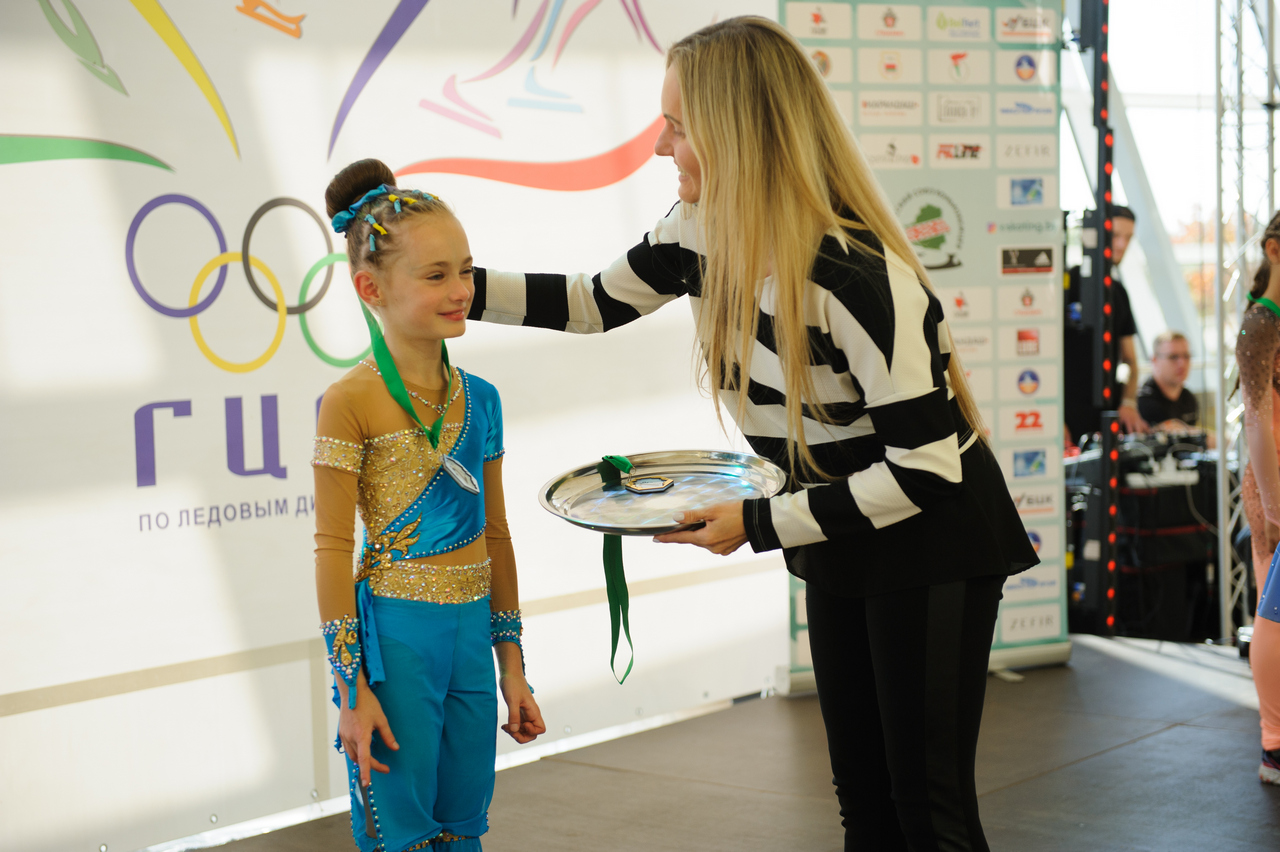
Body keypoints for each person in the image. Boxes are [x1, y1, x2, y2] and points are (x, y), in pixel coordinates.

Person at [467, 17, 1037, 850]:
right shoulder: (696, 230)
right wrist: (455, 288)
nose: (660, 147)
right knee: (864, 803)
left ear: (736, 136)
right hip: (840, 532)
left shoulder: (855, 280)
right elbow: (592, 302)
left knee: (929, 811)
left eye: (677, 127)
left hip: (932, 541)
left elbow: (924, 471)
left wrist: (761, 523)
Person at [312, 159, 545, 852]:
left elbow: (495, 535)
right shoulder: (349, 401)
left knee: (463, 825)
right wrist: (351, 688)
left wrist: (512, 666)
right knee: (403, 831)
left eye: (466, 271)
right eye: (437, 276)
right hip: (398, 644)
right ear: (371, 288)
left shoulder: (483, 399)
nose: (461, 291)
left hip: (472, 637)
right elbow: (332, 548)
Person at [1236, 210, 1280, 786]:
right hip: (1274, 481)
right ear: (1273, 248)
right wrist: (1273, 507)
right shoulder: (1261, 322)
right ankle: (1274, 742)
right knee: (1275, 614)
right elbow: (1256, 419)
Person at [1064, 205, 1148, 446]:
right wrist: (1054, 417)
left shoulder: (1118, 292)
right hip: (1067, 418)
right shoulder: (1067, 284)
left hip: (1106, 421)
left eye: (1128, 237)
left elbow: (1130, 360)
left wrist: (1128, 403)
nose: (1122, 244)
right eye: (1116, 235)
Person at [1137, 330, 1200, 431]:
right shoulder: (1142, 402)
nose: (1182, 363)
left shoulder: (1189, 399)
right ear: (1154, 360)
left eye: (1186, 356)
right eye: (1173, 357)